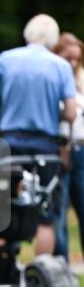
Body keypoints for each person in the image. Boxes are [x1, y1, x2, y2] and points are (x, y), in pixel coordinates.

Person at [0, 14, 77, 255]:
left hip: (10, 142)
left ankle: (0, 265)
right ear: (53, 39)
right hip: (45, 146)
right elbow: (72, 113)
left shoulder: (8, 58)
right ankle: (41, 273)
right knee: (46, 213)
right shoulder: (61, 66)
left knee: (5, 202)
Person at [54, 32, 84, 260]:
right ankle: (61, 263)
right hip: (60, 148)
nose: (72, 63)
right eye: (68, 57)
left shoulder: (82, 81)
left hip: (81, 150)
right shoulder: (52, 78)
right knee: (59, 210)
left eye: (76, 58)